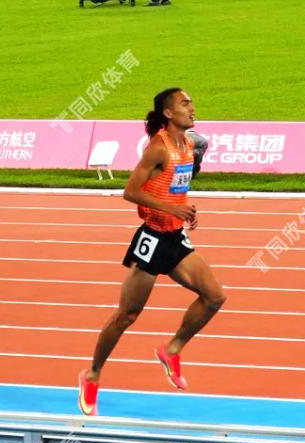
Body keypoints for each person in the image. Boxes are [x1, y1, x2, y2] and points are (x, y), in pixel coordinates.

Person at [78, 88, 227, 416]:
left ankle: (171, 349)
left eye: (191, 102)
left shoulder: (189, 144)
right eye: (185, 103)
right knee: (127, 316)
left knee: (215, 297)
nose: (192, 107)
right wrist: (173, 208)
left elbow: (175, 187)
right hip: (152, 238)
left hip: (175, 236)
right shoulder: (158, 148)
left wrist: (186, 210)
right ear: (168, 113)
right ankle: (92, 375)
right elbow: (130, 192)